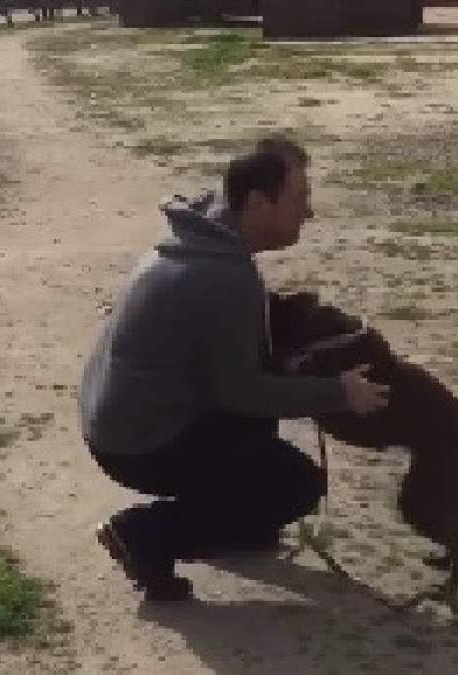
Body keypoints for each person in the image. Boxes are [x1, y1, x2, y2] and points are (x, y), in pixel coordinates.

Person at [78, 137, 390, 602]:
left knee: (259, 431)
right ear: (258, 203)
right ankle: (145, 533)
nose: (309, 212)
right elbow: (242, 392)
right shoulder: (224, 277)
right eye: (300, 197)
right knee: (297, 484)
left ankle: (241, 523)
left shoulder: (203, 236)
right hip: (136, 443)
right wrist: (336, 393)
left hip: (119, 417)